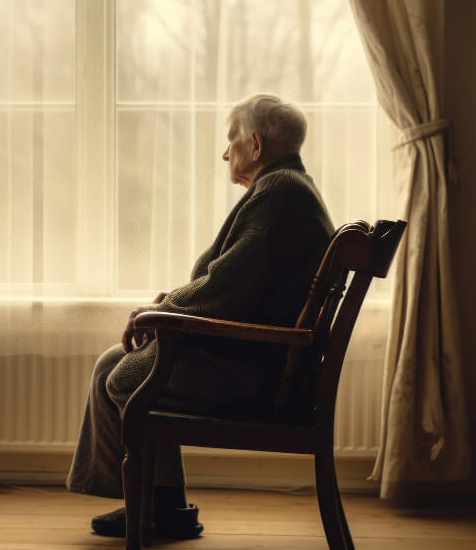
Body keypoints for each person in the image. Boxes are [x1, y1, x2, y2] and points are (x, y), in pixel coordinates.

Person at [66, 93, 334, 539]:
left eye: (231, 139)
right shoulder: (284, 189)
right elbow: (234, 281)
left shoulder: (280, 192)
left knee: (124, 376)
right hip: (258, 360)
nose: (226, 151)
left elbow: (227, 286)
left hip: (257, 375)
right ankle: (162, 504)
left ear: (255, 143)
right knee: (114, 364)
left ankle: (155, 506)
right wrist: (169, 304)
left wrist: (159, 313)